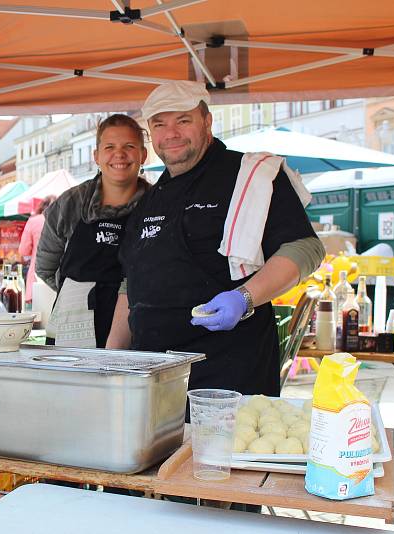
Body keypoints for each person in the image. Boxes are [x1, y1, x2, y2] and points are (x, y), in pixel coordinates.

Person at [107, 81, 324, 398]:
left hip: (229, 374)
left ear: (207, 122)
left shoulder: (249, 175)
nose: (172, 133)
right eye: (160, 124)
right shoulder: (150, 199)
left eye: (183, 120)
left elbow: (305, 248)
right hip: (154, 378)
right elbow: (131, 283)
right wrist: (113, 356)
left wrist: (245, 298)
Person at [36, 114, 149, 348]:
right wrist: (80, 295)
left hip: (134, 327)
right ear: (96, 156)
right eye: (110, 147)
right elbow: (45, 268)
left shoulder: (157, 205)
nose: (119, 154)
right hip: (72, 328)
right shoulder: (69, 204)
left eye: (129, 146)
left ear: (143, 155)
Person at [19, 195, 56, 305]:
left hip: (37, 274)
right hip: (60, 277)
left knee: (38, 316)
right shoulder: (65, 220)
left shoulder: (33, 221)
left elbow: (23, 250)